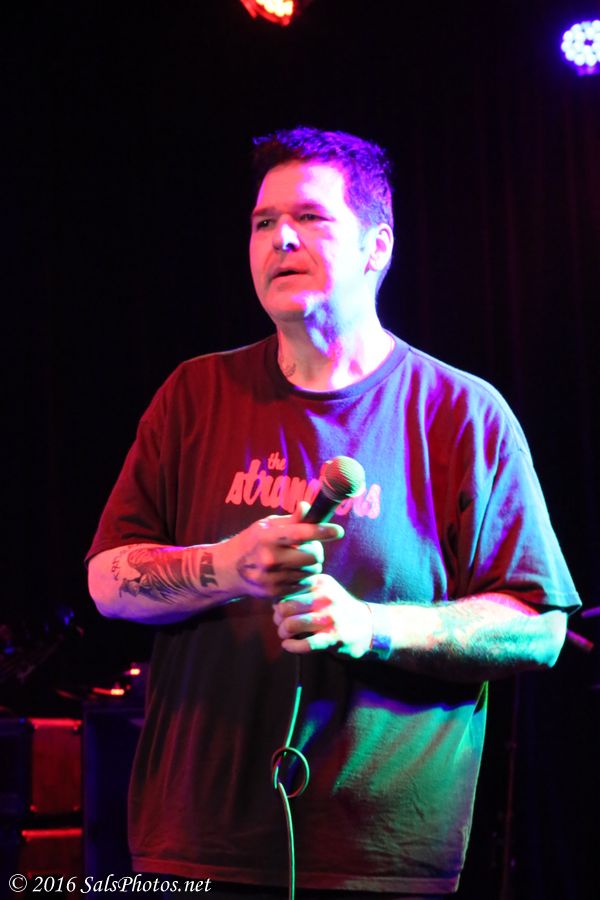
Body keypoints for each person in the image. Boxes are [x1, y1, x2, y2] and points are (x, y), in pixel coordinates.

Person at [86, 126, 580, 899]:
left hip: (377, 860)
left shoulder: (462, 414)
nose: (279, 238)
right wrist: (226, 566)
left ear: (377, 246)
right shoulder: (193, 395)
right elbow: (107, 582)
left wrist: (371, 625)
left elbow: (539, 628)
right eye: (263, 222)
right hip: (191, 851)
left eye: (310, 218)